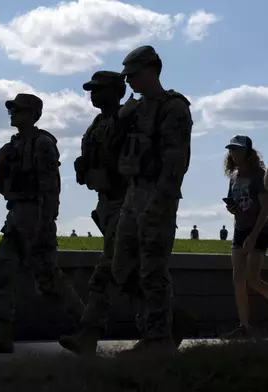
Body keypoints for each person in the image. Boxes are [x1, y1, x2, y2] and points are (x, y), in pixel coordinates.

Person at [59, 70, 192, 356]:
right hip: (106, 204)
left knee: (109, 269)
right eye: (91, 90)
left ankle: (90, 333)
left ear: (117, 91)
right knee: (128, 271)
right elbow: (93, 160)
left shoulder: (133, 118)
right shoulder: (97, 124)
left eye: (99, 89)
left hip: (128, 202)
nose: (93, 94)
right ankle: (168, 322)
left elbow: (139, 158)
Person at [0, 93, 85, 354]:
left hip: (37, 214)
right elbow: (4, 187)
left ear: (34, 115)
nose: (13, 113)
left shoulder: (43, 144)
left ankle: (86, 325)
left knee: (50, 280)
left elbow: (51, 187)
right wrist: (0, 166)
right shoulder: (11, 147)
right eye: (12, 110)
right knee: (2, 277)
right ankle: (2, 335)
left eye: (19, 110)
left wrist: (45, 223)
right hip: (16, 215)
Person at [111, 45, 193, 355]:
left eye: (134, 75)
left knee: (152, 268)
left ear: (152, 70)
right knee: (122, 267)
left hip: (158, 194)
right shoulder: (135, 109)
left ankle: (157, 339)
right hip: (134, 192)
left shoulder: (173, 108)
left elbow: (176, 161)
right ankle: (169, 321)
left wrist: (161, 202)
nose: (129, 81)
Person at [221, 135, 268, 339]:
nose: (233, 153)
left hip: (259, 229)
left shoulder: (259, 175)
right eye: (231, 150)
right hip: (239, 229)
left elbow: (265, 209)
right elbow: (237, 203)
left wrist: (254, 234)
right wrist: (233, 209)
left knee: (253, 279)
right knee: (237, 279)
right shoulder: (234, 176)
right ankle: (244, 326)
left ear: (248, 152)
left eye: (238, 150)